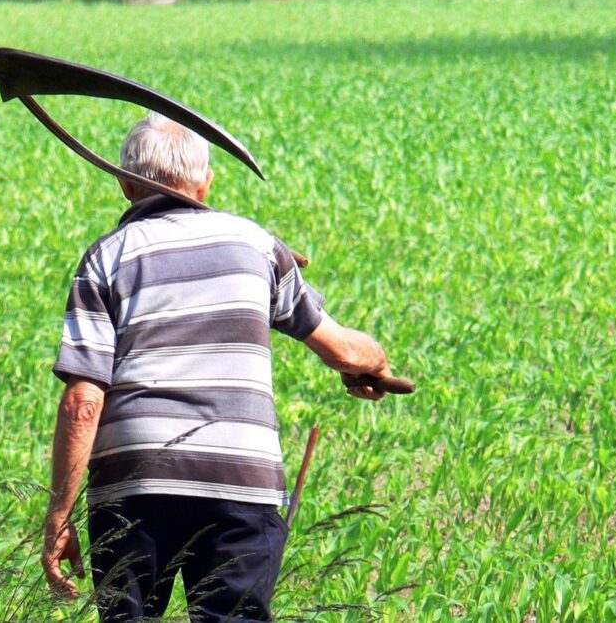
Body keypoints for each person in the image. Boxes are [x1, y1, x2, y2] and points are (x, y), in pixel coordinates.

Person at [43, 113, 407, 622]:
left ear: (125, 185)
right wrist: (376, 363)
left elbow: (84, 402)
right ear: (205, 182)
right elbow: (344, 350)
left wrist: (59, 515)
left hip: (134, 488)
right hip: (240, 481)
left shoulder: (106, 259)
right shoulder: (258, 245)